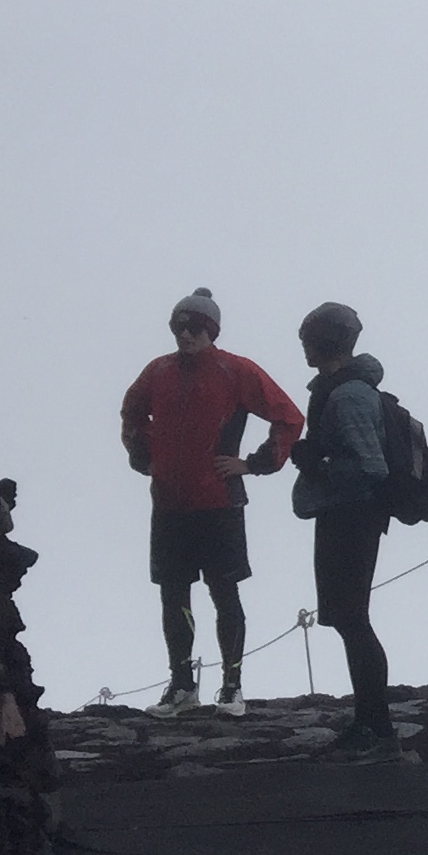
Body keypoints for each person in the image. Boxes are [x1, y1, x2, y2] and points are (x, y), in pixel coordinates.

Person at [118, 288, 304, 715]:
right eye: (178, 326)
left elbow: (289, 417)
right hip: (168, 503)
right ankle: (182, 686)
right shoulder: (158, 371)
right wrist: (142, 453)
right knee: (173, 595)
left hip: (219, 501)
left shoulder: (234, 370)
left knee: (224, 592)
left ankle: (231, 687)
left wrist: (255, 463)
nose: (185, 334)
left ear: (212, 330)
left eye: (195, 327)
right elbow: (131, 412)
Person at [289, 300, 402, 759]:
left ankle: (377, 729)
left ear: (323, 342)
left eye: (307, 339)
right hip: (345, 515)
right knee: (347, 619)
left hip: (351, 517)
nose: (303, 347)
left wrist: (319, 465)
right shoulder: (340, 390)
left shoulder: (348, 395)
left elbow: (370, 467)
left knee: (353, 620)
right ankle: (369, 724)